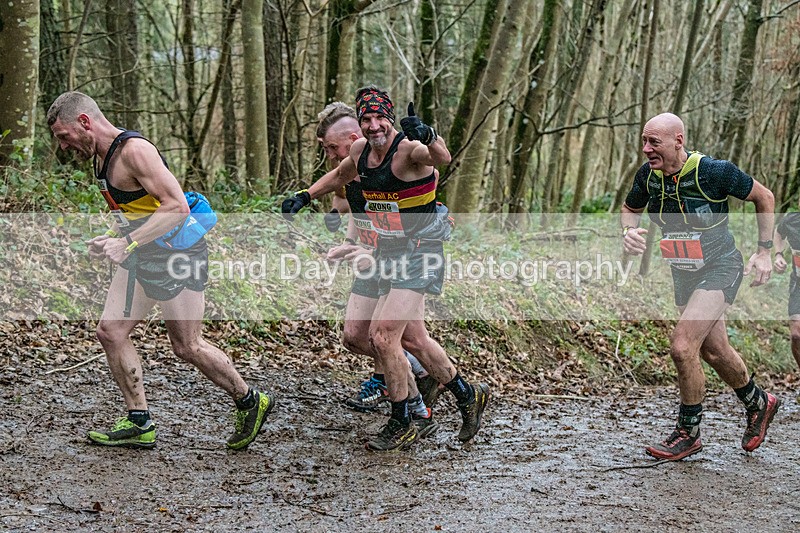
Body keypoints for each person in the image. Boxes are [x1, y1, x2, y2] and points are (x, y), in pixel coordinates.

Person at [47, 91, 274, 450]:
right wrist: (112, 236)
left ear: (85, 123)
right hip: (144, 252)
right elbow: (137, 208)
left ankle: (250, 400)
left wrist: (127, 243)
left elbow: (176, 207)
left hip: (178, 254)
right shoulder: (100, 157)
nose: (64, 147)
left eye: (64, 136)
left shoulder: (135, 152)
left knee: (187, 346)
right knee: (110, 331)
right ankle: (139, 422)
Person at [284, 86, 489, 451]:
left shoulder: (409, 149)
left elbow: (441, 157)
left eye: (380, 118)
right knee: (370, 336)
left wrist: (428, 133)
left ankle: (404, 419)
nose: (374, 125)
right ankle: (466, 394)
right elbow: (341, 175)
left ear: (390, 120)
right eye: (367, 119)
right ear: (360, 125)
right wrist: (305, 196)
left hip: (419, 252)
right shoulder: (361, 151)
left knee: (385, 336)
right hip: (381, 252)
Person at [621, 112, 780, 461]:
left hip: (721, 266)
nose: (646, 149)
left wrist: (765, 251)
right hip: (684, 271)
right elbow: (629, 208)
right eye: (644, 141)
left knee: (682, 346)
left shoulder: (714, 172)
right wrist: (628, 231)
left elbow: (764, 197)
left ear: (678, 141)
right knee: (714, 350)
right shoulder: (648, 176)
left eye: (654, 142)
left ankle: (688, 433)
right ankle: (759, 402)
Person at [316, 102, 442, 416]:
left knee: (406, 337)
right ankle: (408, 381)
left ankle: (429, 395)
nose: (331, 154)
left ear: (355, 136)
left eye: (334, 147)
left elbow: (431, 174)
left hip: (407, 257)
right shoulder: (354, 164)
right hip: (372, 256)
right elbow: (347, 197)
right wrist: (341, 226)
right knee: (357, 336)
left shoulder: (394, 161)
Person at [772, 212, 800, 375]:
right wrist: (778, 254)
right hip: (798, 284)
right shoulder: (791, 220)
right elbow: (779, 232)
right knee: (796, 335)